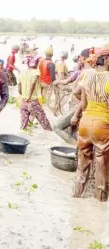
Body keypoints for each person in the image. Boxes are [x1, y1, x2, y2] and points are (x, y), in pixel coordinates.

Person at [72, 46, 109, 202]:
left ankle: (76, 195)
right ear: (107, 59)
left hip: (85, 123)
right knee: (101, 165)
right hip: (102, 125)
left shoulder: (87, 76)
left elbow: (78, 94)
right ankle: (100, 201)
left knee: (82, 164)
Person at [53, 48, 95, 145]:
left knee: (57, 127)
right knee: (73, 131)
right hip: (79, 107)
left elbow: (77, 92)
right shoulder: (89, 71)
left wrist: (76, 113)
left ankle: (77, 148)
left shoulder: (87, 72)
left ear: (83, 58)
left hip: (77, 107)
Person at [18, 51, 52, 130]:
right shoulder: (36, 72)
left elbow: (19, 88)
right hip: (33, 101)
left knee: (23, 126)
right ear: (35, 63)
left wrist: (25, 96)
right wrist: (29, 96)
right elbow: (33, 83)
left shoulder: (22, 73)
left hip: (23, 101)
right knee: (45, 124)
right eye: (37, 62)